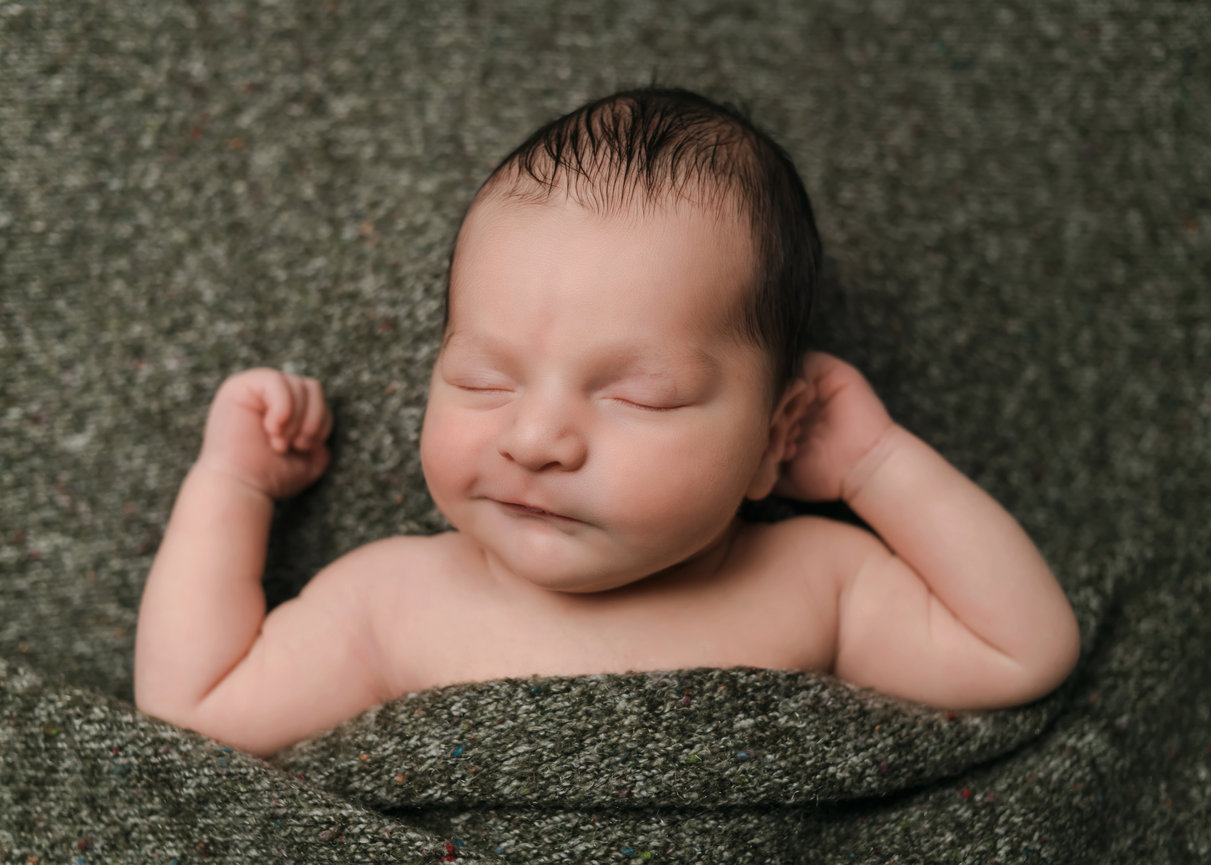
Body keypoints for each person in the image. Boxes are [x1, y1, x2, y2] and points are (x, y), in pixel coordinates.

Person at [134, 87, 1081, 757]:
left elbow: (1022, 649)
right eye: (481, 380)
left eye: (637, 395)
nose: (536, 438)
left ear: (774, 436)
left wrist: (874, 461)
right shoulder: (393, 602)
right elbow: (192, 704)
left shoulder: (814, 583)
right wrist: (234, 484)